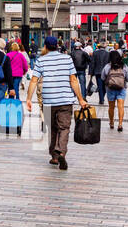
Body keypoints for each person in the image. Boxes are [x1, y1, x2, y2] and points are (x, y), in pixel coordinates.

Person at [25, 36, 86, 171]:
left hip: (49, 100)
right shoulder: (67, 59)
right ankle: (61, 151)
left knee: (53, 128)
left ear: (45, 46)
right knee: (64, 128)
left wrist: (28, 99)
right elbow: (73, 80)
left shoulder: (41, 60)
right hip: (65, 100)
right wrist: (81, 99)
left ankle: (54, 156)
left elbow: (34, 80)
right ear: (58, 45)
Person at [101, 48, 128, 131]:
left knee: (111, 107)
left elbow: (103, 77)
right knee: (121, 107)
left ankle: (111, 122)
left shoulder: (108, 66)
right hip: (121, 88)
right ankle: (120, 124)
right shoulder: (124, 66)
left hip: (110, 89)